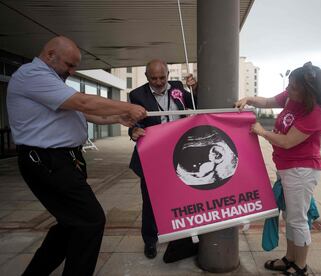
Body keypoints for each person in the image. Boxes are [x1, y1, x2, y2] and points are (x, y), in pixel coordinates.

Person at [6, 36, 147, 276]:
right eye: (69, 65)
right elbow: (83, 102)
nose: (72, 71)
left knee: (72, 223)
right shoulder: (32, 75)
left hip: (63, 160)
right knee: (91, 220)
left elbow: (81, 113)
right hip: (47, 161)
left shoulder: (52, 79)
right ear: (50, 55)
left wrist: (117, 118)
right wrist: (125, 107)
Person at [235, 62, 321, 276]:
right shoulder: (292, 97)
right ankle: (290, 258)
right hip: (287, 169)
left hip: (301, 170)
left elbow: (286, 142)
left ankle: (300, 266)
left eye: (293, 87)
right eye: (289, 85)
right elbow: (268, 101)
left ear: (308, 90)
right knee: (290, 216)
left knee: (297, 219)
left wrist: (262, 132)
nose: (289, 89)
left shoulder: (315, 112)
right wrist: (248, 98)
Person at [128, 59, 198, 260]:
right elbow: (132, 123)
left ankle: (181, 235)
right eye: (154, 78)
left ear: (168, 74)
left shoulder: (178, 88)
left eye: (162, 77)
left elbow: (197, 106)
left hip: (180, 154)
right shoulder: (137, 95)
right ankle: (150, 240)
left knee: (182, 197)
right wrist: (133, 131)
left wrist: (195, 88)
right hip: (153, 157)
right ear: (146, 77)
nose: (159, 82)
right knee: (150, 201)